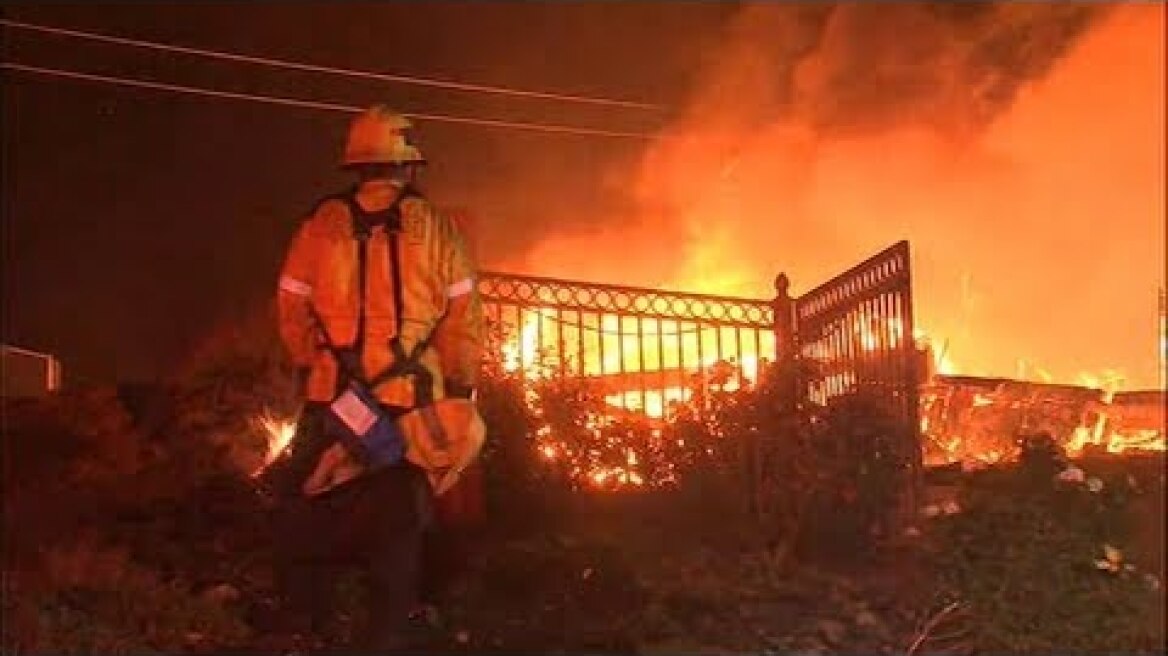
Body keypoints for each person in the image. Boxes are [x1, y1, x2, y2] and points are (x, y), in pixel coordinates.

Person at [268, 105, 484, 651]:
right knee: (401, 530)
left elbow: (291, 307)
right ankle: (388, 632)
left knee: (306, 507)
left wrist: (312, 363)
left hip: (332, 399)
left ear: (356, 165)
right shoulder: (436, 228)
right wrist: (458, 388)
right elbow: (462, 323)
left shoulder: (320, 225)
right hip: (408, 406)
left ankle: (307, 626)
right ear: (407, 167)